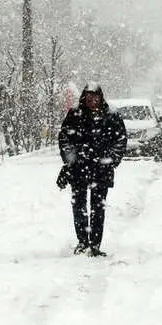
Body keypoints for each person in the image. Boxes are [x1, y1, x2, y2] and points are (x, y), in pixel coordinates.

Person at [57, 83, 127, 257]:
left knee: (98, 208)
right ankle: (82, 241)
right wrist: (71, 158)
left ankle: (95, 244)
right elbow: (64, 138)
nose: (91, 101)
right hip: (78, 169)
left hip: (101, 170)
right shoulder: (75, 115)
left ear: (100, 97)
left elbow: (120, 140)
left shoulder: (111, 115)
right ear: (83, 98)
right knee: (79, 206)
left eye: (95, 97)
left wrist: (109, 160)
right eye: (88, 98)